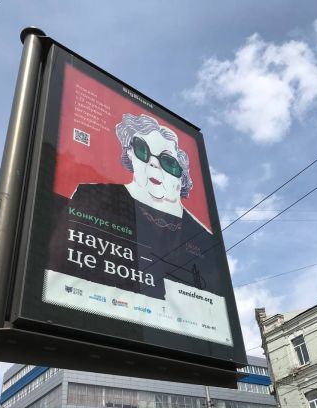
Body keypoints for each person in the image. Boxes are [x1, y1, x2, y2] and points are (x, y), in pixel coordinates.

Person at [47, 114, 220, 300]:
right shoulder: (91, 195)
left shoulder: (206, 241)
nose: (153, 163)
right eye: (142, 150)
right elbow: (58, 264)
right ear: (130, 153)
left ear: (182, 179)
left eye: (168, 162)